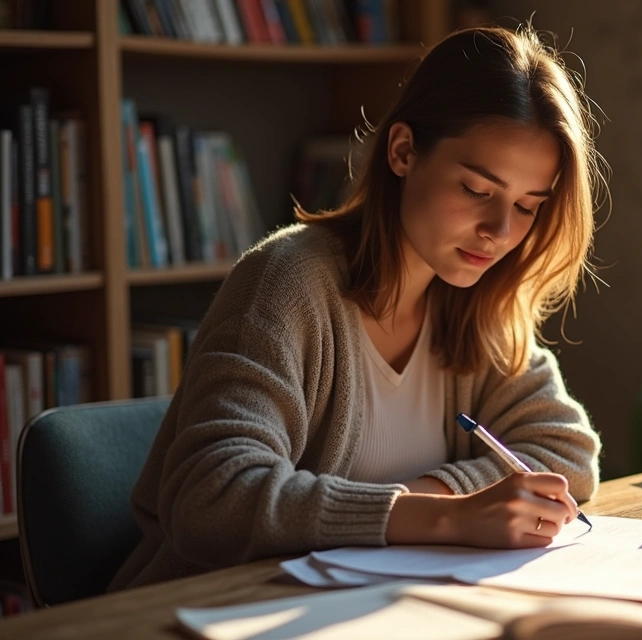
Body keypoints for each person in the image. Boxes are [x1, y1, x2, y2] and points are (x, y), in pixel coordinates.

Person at [109, 24, 607, 591]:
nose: (499, 231)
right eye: (476, 190)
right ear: (402, 151)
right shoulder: (286, 282)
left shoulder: (477, 301)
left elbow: (565, 453)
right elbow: (212, 496)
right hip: (211, 609)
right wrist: (446, 517)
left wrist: (430, 499)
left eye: (526, 206)